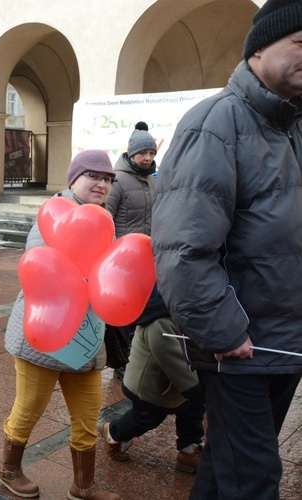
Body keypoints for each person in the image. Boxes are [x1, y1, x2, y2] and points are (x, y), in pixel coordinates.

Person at [151, 2, 302, 497]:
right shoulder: (216, 122)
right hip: (240, 347)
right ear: (260, 47)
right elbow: (182, 249)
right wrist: (223, 330)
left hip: (283, 342)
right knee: (255, 479)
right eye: (301, 42)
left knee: (225, 468)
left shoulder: (292, 127)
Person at [0, 150, 120, 500]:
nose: (102, 183)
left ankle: (83, 486)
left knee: (88, 413)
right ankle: (8, 468)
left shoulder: (105, 221)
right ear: (74, 179)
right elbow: (37, 268)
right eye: (94, 175)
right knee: (29, 408)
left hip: (87, 337)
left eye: (108, 179)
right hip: (44, 337)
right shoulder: (53, 215)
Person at [98, 289, 205, 473]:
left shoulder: (190, 312)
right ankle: (114, 431)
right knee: (146, 418)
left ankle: (189, 450)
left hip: (176, 382)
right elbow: (171, 357)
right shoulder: (160, 320)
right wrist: (196, 388)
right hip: (150, 385)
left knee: (193, 410)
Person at [104, 121, 159, 378]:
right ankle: (121, 361)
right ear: (131, 154)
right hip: (122, 260)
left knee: (142, 308)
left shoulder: (151, 181)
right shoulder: (119, 180)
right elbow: (105, 218)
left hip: (146, 258)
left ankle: (138, 355)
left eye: (151, 153)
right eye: (143, 153)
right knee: (123, 312)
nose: (147, 158)